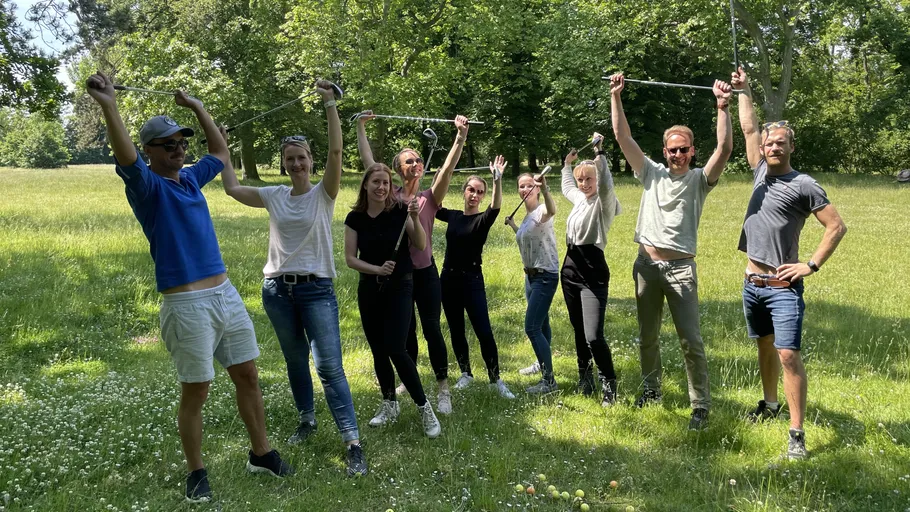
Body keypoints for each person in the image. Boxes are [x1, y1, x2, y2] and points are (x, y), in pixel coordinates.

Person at [84, 71, 293, 504]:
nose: (179, 149)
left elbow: (220, 150)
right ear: (150, 152)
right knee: (197, 389)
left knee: (248, 375)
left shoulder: (193, 178)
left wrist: (196, 106)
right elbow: (126, 157)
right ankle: (197, 472)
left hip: (225, 294)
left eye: (182, 143)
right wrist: (109, 105)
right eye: (169, 145)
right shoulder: (147, 187)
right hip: (186, 304)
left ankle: (262, 453)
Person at [220, 80, 366, 476]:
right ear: (284, 163)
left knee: (330, 367)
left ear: (311, 161)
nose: (296, 164)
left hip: (317, 290)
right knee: (294, 361)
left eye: (302, 158)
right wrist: (221, 145)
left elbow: (338, 149)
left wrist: (330, 104)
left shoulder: (325, 193)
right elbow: (231, 187)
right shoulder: (274, 195)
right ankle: (307, 419)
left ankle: (352, 441)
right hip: (277, 292)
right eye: (290, 159)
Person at [732, 67, 847, 459]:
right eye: (770, 143)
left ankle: (796, 434)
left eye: (780, 143)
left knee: (788, 354)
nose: (773, 148)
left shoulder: (804, 184)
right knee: (764, 345)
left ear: (791, 147)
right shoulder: (760, 172)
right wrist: (743, 90)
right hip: (752, 283)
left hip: (783, 287)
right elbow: (748, 130)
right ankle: (769, 404)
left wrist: (809, 266)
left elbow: (836, 226)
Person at [609, 73, 733, 430]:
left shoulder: (699, 181)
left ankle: (700, 406)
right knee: (647, 337)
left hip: (680, 271)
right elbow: (622, 137)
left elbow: (724, 149)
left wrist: (722, 107)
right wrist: (616, 96)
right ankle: (651, 392)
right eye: (672, 149)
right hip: (646, 266)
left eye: (684, 149)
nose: (678, 154)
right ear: (665, 152)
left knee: (690, 341)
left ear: (692, 151)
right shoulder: (651, 173)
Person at [356, 113, 470, 414]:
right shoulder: (390, 196)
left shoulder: (429, 198)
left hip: (426, 273)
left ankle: (443, 386)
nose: (416, 163)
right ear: (398, 170)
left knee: (432, 328)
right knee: (405, 332)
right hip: (398, 277)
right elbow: (371, 165)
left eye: (418, 159)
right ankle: (409, 380)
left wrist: (460, 137)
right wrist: (360, 128)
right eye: (408, 160)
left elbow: (446, 170)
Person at [344, 164, 442, 438]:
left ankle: (424, 407)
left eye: (386, 183)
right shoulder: (355, 218)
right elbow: (350, 259)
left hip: (400, 286)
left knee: (397, 348)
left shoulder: (400, 211)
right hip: (370, 288)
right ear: (365, 184)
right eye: (376, 182)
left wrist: (414, 217)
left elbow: (421, 244)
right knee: (378, 350)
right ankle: (389, 403)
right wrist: (376, 270)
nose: (381, 187)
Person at [436, 157, 515, 399]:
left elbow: (496, 206)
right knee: (456, 329)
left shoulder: (482, 220)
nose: (474, 195)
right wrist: (443, 176)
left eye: (479, 192)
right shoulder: (453, 216)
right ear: (464, 192)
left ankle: (495, 379)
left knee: (484, 331)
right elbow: (434, 204)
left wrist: (497, 180)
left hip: (472, 280)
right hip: (448, 280)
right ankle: (465, 373)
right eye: (471, 190)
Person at [560, 134, 622, 406]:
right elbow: (566, 188)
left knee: (593, 335)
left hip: (593, 272)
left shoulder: (603, 204)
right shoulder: (579, 200)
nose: (584, 184)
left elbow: (607, 186)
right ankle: (585, 378)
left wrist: (601, 154)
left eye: (589, 179)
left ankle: (609, 382)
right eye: (581, 179)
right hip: (570, 270)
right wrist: (566, 165)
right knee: (578, 330)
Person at [505, 171, 560, 393]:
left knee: (532, 327)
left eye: (529, 185)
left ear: (536, 189)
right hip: (531, 277)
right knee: (542, 323)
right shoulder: (528, 217)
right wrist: (514, 225)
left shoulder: (541, 212)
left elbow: (552, 209)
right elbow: (526, 238)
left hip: (545, 276)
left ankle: (549, 381)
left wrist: (545, 188)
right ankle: (542, 363)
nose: (525, 189)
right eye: (521, 186)